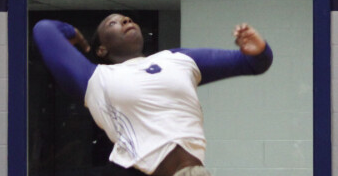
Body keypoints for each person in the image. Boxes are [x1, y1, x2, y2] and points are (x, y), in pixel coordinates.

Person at [33, 14, 273, 176]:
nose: (125, 20)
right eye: (112, 23)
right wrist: (73, 32)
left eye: (126, 18)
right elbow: (44, 30)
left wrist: (259, 49)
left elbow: (252, 63)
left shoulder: (176, 59)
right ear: (101, 49)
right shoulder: (95, 78)